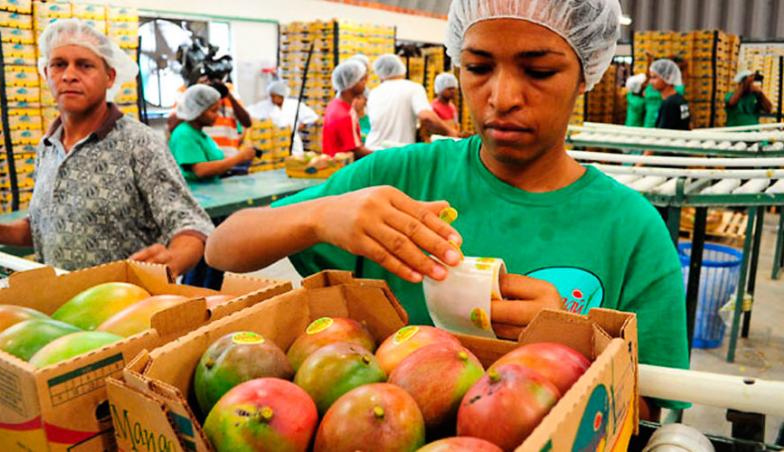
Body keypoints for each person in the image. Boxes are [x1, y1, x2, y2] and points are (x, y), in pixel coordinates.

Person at [206, 0, 687, 419]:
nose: (502, 98)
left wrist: (571, 347)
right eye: (477, 67)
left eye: (539, 71)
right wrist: (320, 216)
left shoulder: (630, 230)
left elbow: (648, 408)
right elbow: (223, 247)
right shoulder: (396, 179)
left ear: (586, 74)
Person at [0, 20, 213, 277]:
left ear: (110, 77)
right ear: (46, 73)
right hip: (60, 298)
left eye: (84, 65)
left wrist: (174, 259)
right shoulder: (47, 147)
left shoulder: (138, 143)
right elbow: (42, 228)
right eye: (59, 64)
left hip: (125, 298)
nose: (69, 75)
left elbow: (191, 223)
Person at [365, 54, 458, 150]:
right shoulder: (413, 88)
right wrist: (449, 131)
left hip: (373, 150)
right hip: (398, 151)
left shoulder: (374, 92)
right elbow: (426, 116)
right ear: (401, 68)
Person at [169, 85, 255, 181]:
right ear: (198, 110)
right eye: (213, 111)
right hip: (196, 189)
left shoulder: (201, 135)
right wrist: (240, 158)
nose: (217, 115)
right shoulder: (184, 135)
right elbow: (201, 170)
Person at [167, 73, 252, 159]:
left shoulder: (229, 89)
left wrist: (227, 94)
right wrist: (197, 92)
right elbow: (172, 125)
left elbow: (247, 122)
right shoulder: (187, 91)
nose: (217, 115)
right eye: (213, 110)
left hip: (228, 157)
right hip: (202, 156)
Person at [249, 80, 319, 156]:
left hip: (292, 140)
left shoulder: (294, 105)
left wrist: (301, 125)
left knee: (296, 160)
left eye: (274, 96)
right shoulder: (265, 106)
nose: (272, 99)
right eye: (271, 96)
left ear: (281, 95)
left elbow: (312, 117)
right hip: (274, 142)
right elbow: (249, 112)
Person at [322, 60, 372, 159]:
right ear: (351, 84)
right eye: (361, 80)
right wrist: (383, 156)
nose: (365, 83)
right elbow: (356, 151)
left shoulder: (335, 105)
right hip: (342, 166)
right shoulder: (345, 115)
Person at [649, 59, 690, 130]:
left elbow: (663, 132)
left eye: (654, 77)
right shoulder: (679, 99)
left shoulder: (669, 104)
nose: (650, 82)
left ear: (667, 78)